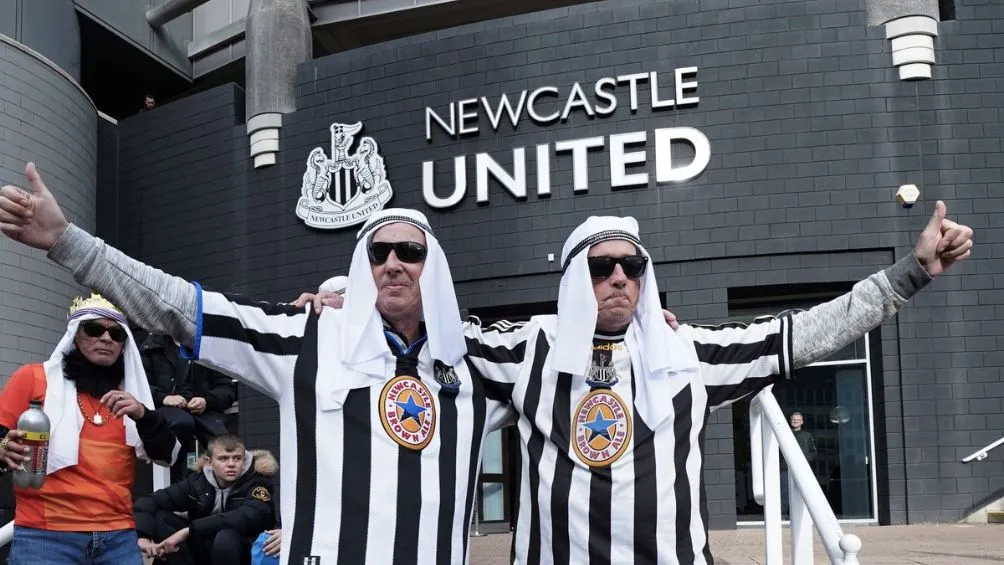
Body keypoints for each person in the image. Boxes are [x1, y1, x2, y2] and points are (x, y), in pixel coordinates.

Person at [0, 164, 513, 565]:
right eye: (378, 253)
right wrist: (69, 243)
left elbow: (576, 352)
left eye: (410, 251)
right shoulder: (306, 339)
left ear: (435, 267)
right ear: (364, 268)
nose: (393, 262)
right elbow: (182, 306)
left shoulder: (476, 362)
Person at [456, 212, 972, 563]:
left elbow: (796, 337)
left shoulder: (685, 352)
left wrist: (914, 272)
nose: (619, 277)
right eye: (600, 266)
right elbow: (425, 342)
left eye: (632, 266)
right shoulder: (524, 351)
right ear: (571, 277)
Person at [0, 293, 179, 565]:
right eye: (94, 329)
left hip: (118, 537)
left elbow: (166, 456)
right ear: (75, 336)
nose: (106, 338)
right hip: (45, 536)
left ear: (123, 345)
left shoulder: (131, 396)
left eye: (116, 334)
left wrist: (144, 415)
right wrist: (3, 447)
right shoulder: (34, 378)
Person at [134, 433, 277, 565]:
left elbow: (250, 515)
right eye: (223, 458)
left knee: (226, 536)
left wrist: (189, 530)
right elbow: (149, 501)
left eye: (237, 458)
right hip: (206, 550)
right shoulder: (197, 483)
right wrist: (143, 536)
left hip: (244, 551)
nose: (231, 464)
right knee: (162, 518)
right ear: (209, 462)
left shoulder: (258, 481)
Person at [141, 332, 237, 480]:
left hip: (201, 411)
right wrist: (164, 398)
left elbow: (227, 389)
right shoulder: (152, 345)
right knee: (181, 424)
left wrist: (207, 401)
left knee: (226, 445)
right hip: (165, 409)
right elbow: (140, 383)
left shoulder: (209, 346)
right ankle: (176, 480)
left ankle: (228, 490)